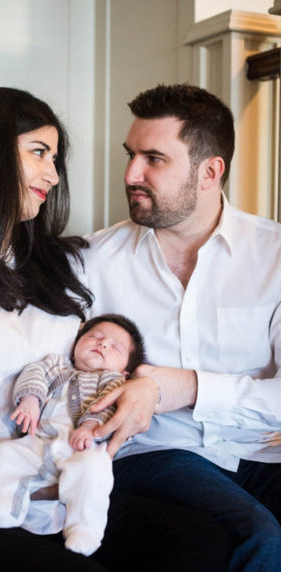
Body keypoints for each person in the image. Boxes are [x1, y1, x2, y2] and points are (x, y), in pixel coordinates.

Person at [0, 87, 230, 571]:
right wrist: (12, 477)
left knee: (203, 542)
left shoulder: (59, 264)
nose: (53, 175)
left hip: (66, 483)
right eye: (39, 153)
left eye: (55, 158)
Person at [83, 83, 281, 571]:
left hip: (260, 450)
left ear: (210, 171)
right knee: (254, 533)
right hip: (153, 451)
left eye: (154, 159)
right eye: (131, 155)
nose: (131, 174)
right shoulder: (92, 261)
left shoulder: (274, 255)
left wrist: (189, 387)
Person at [0, 315, 146, 556]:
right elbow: (35, 372)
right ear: (75, 345)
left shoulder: (113, 381)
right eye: (95, 336)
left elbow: (109, 406)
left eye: (115, 347)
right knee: (6, 452)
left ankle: (85, 528)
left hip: (83, 445)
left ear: (125, 371)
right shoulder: (57, 364)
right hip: (40, 440)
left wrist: (89, 427)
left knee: (94, 470)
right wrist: (31, 399)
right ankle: (5, 506)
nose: (103, 343)